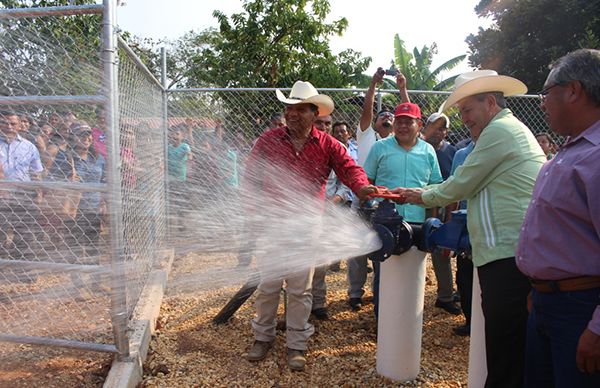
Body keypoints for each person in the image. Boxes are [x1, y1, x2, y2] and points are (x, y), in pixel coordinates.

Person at [394, 70, 546, 387]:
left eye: (467, 111)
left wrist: (421, 196)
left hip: (508, 256)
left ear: (490, 102)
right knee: (510, 349)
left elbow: (463, 182)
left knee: (505, 353)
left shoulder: (499, 131)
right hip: (507, 252)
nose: (464, 119)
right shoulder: (504, 129)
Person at [243, 80, 377, 371]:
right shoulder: (269, 140)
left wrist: (362, 186)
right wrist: (252, 213)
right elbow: (251, 177)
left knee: (299, 289)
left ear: (314, 113)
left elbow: (350, 169)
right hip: (272, 224)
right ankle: (262, 337)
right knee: (268, 286)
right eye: (289, 108)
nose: (292, 114)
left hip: (306, 226)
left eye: (300, 109)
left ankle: (296, 344)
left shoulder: (329, 145)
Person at [516, 48, 600, 388]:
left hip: (581, 310)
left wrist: (597, 328)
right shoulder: (569, 151)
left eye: (545, 93)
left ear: (574, 90)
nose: (541, 103)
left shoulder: (595, 157)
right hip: (548, 302)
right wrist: (541, 288)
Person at [363, 102, 442, 319]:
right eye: (399, 121)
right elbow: (367, 181)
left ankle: (408, 321)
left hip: (416, 221)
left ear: (419, 124)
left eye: (409, 121)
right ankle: (384, 321)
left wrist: (431, 218)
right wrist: (374, 198)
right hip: (385, 222)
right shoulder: (380, 148)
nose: (403, 126)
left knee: (413, 273)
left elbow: (437, 184)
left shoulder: (428, 151)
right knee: (384, 272)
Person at [347, 68, 410, 311]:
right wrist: (373, 84)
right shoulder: (366, 137)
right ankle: (355, 293)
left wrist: (402, 88)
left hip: (388, 206)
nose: (386, 117)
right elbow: (367, 109)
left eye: (391, 116)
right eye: (381, 115)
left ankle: (380, 296)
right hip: (363, 202)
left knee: (384, 250)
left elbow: (410, 114)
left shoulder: (400, 143)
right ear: (374, 123)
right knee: (358, 251)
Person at [422, 112, 460, 315]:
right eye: (434, 126)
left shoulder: (452, 152)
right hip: (420, 203)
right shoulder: (420, 148)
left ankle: (445, 295)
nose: (439, 131)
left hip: (445, 207)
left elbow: (455, 183)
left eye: (442, 128)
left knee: (442, 252)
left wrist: (449, 216)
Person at [0, 110, 44, 260]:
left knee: (24, 232)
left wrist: (38, 194)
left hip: (23, 193)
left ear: (20, 126)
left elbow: (36, 173)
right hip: (1, 193)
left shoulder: (29, 146)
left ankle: (22, 268)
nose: (9, 127)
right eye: (5, 123)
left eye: (13, 123)